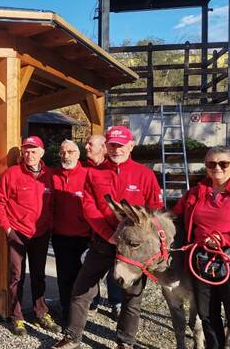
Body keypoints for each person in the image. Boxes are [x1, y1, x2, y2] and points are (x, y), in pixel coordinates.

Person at [52, 126, 163, 349]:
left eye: (121, 145)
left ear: (131, 146)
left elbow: (156, 210)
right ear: (106, 146)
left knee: (132, 297)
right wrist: (108, 234)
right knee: (81, 290)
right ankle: (72, 336)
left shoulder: (145, 174)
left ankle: (125, 342)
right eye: (112, 145)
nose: (116, 149)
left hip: (132, 248)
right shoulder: (93, 173)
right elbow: (89, 208)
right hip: (104, 242)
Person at [0, 136, 59, 335]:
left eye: (33, 150)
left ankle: (40, 312)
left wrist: (50, 225)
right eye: (26, 151)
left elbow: (55, 204)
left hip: (40, 234)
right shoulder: (12, 174)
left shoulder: (50, 175)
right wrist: (8, 229)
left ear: (42, 153)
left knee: (38, 276)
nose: (29, 154)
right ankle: (17, 316)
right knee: (16, 276)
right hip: (18, 233)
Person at [173, 146, 230, 349]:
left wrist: (224, 239)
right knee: (207, 314)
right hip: (200, 259)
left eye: (223, 163)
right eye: (211, 164)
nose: (217, 168)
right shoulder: (195, 192)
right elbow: (174, 215)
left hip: (228, 256)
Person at [50, 140, 91, 326]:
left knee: (82, 280)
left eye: (70, 152)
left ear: (78, 153)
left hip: (84, 237)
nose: (66, 155)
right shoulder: (53, 175)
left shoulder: (88, 175)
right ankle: (67, 314)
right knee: (64, 278)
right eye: (62, 152)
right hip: (60, 236)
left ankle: (81, 316)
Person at [85, 133, 123, 318]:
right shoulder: (86, 169)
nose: (86, 147)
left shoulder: (115, 169)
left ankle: (116, 301)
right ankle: (93, 300)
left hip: (115, 231)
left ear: (103, 147)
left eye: (90, 144)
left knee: (116, 268)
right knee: (91, 268)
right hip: (90, 231)